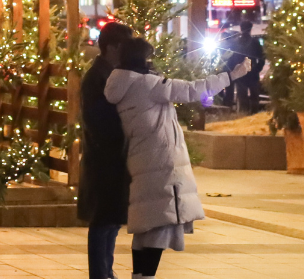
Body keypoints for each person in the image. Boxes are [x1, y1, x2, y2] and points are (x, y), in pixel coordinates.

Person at [106, 37, 251, 279]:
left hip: (141, 159)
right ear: (140, 59)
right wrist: (231, 76)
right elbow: (192, 89)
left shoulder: (120, 83)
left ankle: (139, 276)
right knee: (160, 224)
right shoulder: (149, 84)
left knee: (146, 225)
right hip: (162, 162)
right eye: (149, 58)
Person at [78, 22, 135, 279]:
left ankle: (106, 272)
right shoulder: (97, 77)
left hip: (113, 158)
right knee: (103, 222)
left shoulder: (112, 74)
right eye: (125, 46)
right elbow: (97, 120)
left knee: (111, 221)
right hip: (104, 160)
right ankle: (100, 274)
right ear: (112, 47)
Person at [229, 21, 266, 113]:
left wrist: (233, 70)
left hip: (243, 73)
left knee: (243, 98)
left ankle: (245, 115)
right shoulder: (254, 43)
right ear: (250, 29)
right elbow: (262, 58)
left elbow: (231, 59)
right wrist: (257, 69)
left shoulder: (236, 43)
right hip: (251, 73)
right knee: (253, 98)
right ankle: (252, 115)